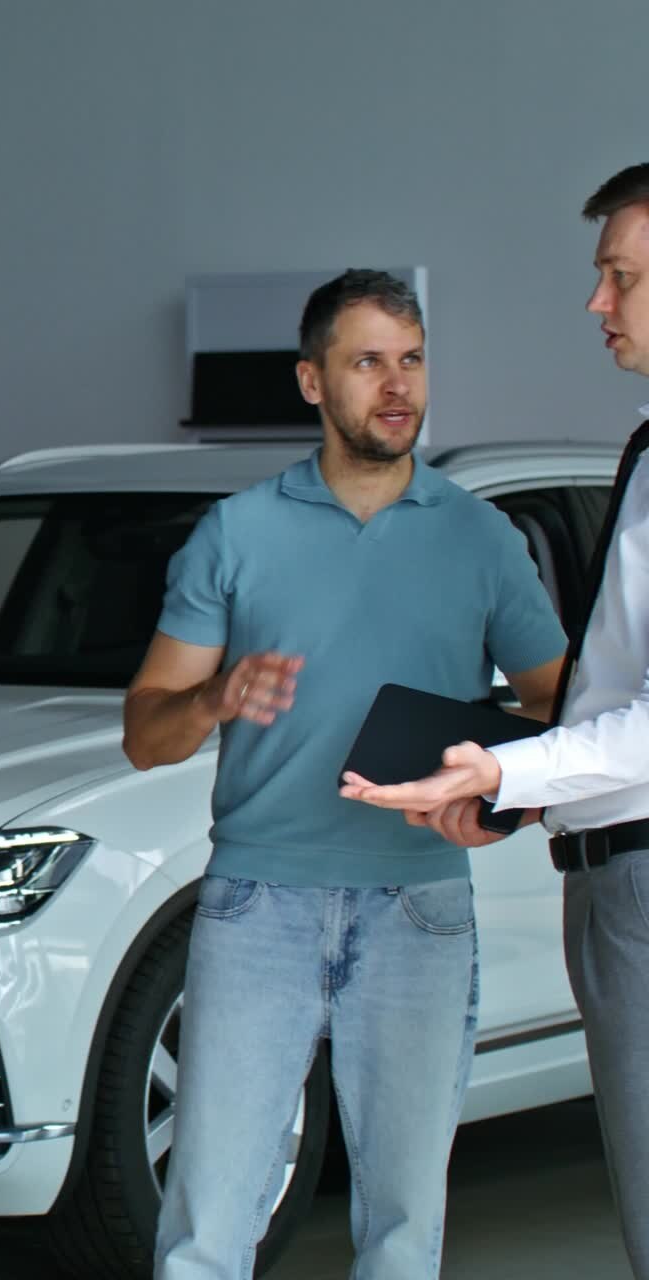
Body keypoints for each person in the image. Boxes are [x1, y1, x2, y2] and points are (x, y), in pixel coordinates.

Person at [123, 268, 565, 1280]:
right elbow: (146, 733)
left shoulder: (478, 535)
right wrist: (212, 701)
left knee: (405, 1233)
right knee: (203, 1230)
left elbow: (558, 704)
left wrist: (488, 781)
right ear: (312, 382)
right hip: (257, 903)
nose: (397, 385)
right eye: (368, 362)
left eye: (411, 361)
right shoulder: (238, 533)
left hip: (420, 906)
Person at [340, 166, 649, 1280]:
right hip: (610, 871)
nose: (596, 303)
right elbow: (611, 704)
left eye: (620, 276)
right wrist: (511, 793)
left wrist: (505, 770)